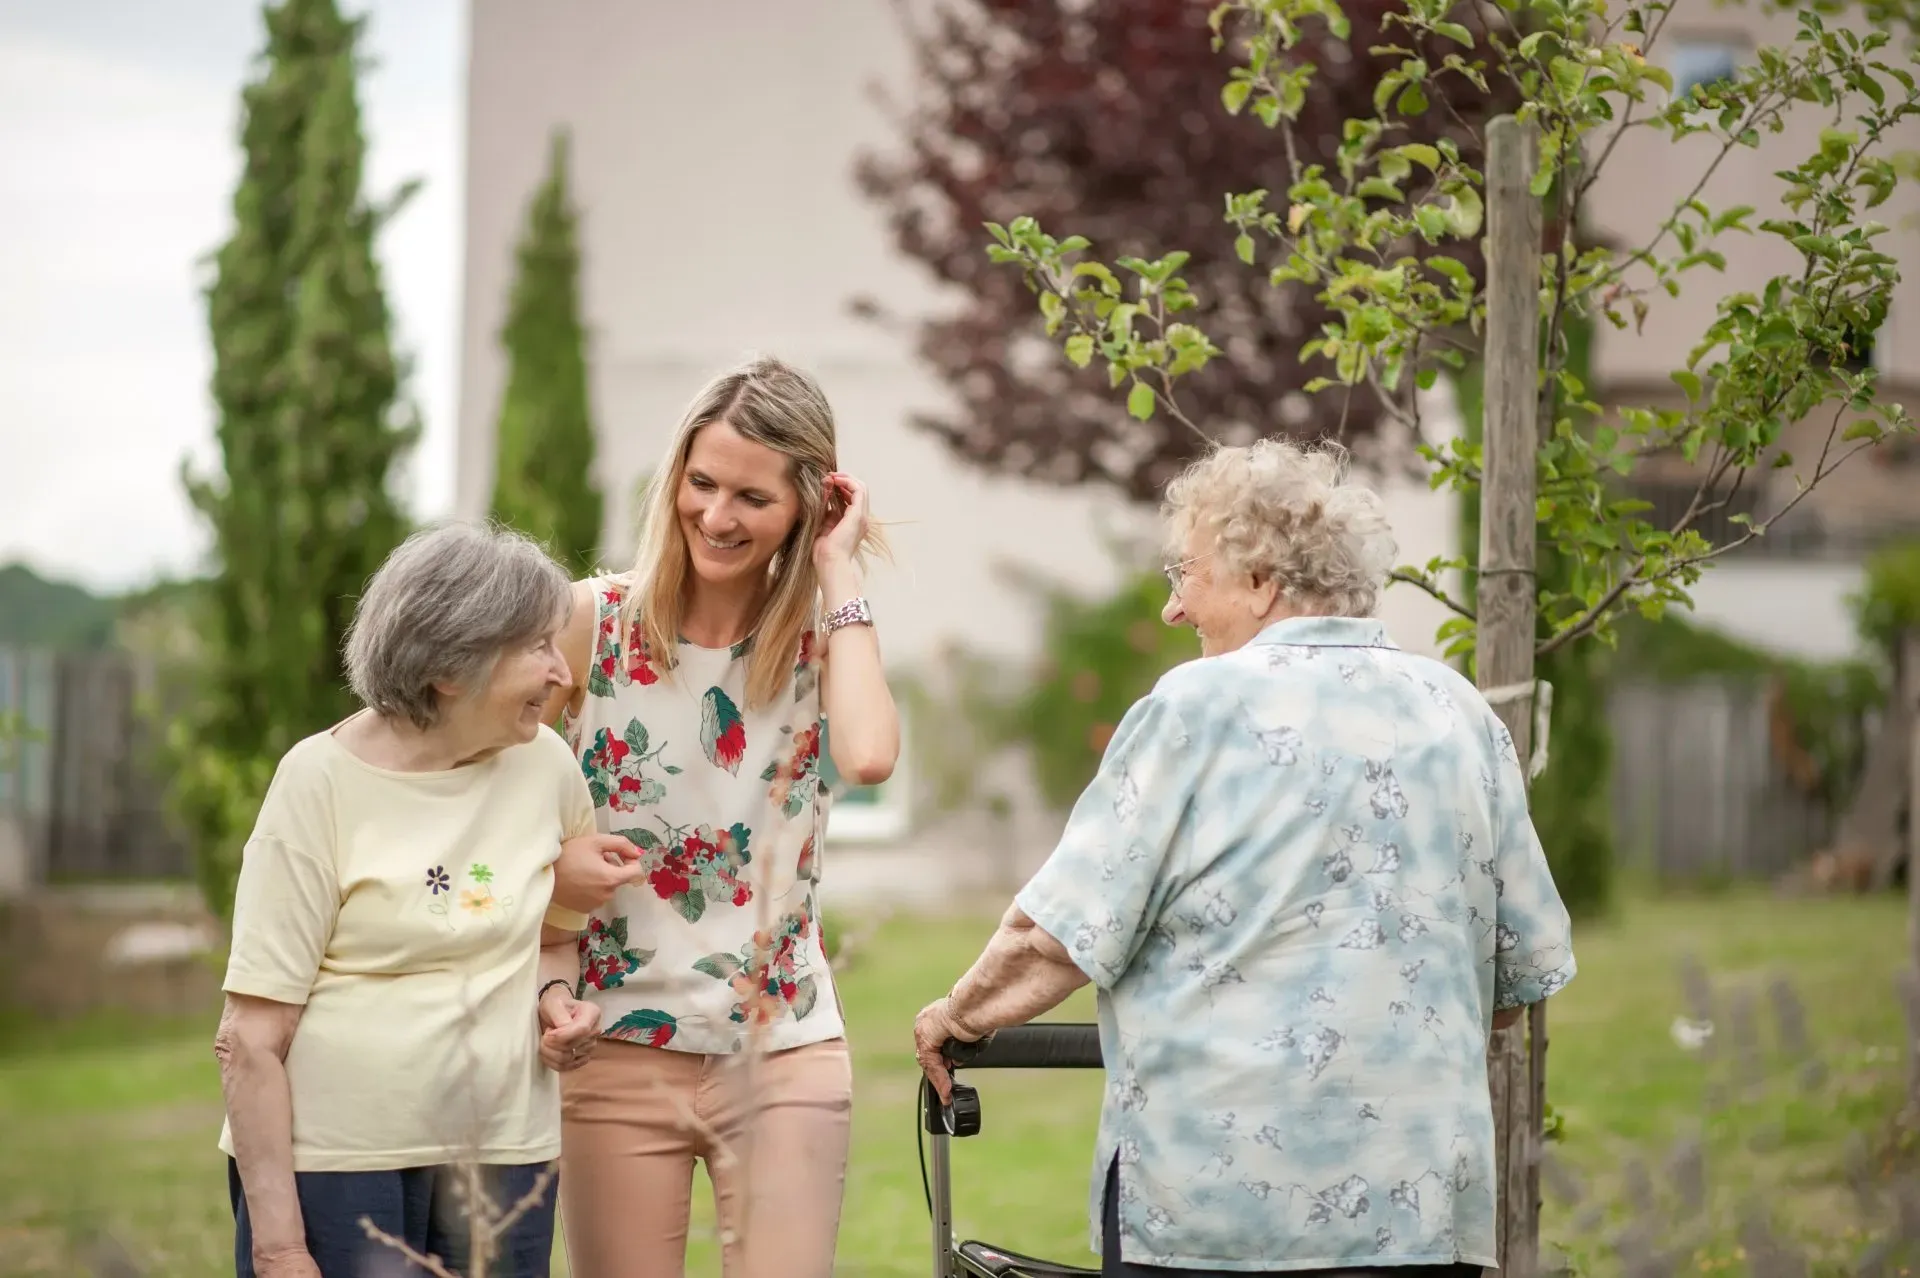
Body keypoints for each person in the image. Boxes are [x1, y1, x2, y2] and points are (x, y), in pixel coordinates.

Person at [913, 439, 1577, 1277]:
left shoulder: (1199, 706)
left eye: (1185, 575)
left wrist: (958, 1017)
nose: (1173, 610)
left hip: (1219, 1217)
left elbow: (1060, 934)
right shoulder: (1462, 713)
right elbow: (1510, 989)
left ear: (1262, 581)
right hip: (1419, 1213)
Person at [542, 355, 899, 1278]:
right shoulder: (593, 622)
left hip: (784, 1053)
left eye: (752, 496)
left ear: (804, 507)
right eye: (701, 483)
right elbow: (495, 794)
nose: (717, 515)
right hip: (615, 1047)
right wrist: (552, 871)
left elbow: (868, 756)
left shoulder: (828, 642)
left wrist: (838, 566)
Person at [215, 522, 640, 1278]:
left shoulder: (545, 764)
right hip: (340, 1170)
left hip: (505, 1158)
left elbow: (550, 935)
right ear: (451, 666)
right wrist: (281, 1248)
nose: (564, 674)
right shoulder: (318, 783)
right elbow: (250, 1036)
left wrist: (557, 1002)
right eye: (538, 648)